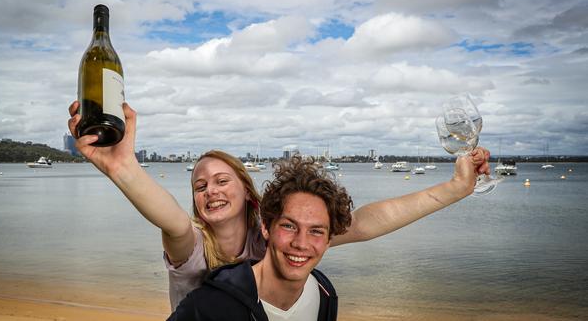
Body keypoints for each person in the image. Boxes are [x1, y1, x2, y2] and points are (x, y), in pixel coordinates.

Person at [67, 101, 490, 309]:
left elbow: (364, 222)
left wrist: (453, 189)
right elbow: (171, 220)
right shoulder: (191, 245)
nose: (210, 190)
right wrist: (124, 169)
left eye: (221, 180)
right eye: (200, 186)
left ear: (248, 193)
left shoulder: (275, 236)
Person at [168, 156, 352, 320]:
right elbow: (172, 222)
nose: (301, 243)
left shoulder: (324, 292)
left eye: (316, 231)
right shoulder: (209, 305)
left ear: (329, 239)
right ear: (266, 227)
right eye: (288, 226)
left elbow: (363, 226)